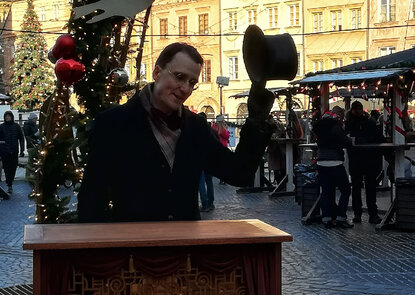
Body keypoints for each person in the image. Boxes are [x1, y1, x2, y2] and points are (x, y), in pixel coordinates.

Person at [78, 42, 274, 222]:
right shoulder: (113, 123)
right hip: (132, 251)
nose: (185, 88)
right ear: (157, 72)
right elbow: (92, 198)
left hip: (186, 251)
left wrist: (256, 121)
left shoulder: (196, 127)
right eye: (179, 77)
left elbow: (237, 174)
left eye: (192, 82)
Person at [346, 100, 384, 224]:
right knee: (369, 187)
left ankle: (359, 214)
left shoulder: (349, 123)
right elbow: (378, 138)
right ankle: (372, 214)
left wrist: (356, 140)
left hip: (357, 158)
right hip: (368, 158)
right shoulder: (369, 123)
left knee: (358, 187)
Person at [314, 105, 351, 227]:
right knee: (345, 190)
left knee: (326, 191)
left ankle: (326, 218)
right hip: (335, 162)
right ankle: (341, 217)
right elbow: (346, 142)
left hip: (321, 162)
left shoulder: (319, 126)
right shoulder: (335, 127)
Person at [0, 111, 25, 195]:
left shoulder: (16, 126)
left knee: (13, 167)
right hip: (5, 151)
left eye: (8, 116)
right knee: (6, 168)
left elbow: (21, 138)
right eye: (6, 117)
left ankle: (10, 182)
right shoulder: (2, 127)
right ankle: (9, 184)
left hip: (14, 150)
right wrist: (0, 147)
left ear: (11, 117)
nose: (7, 118)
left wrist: (22, 150)